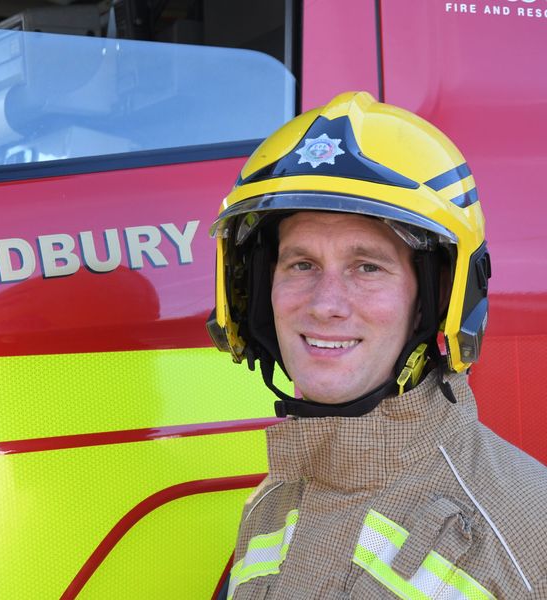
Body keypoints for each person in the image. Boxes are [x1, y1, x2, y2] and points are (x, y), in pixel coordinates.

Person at [207, 91, 547, 599]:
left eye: (367, 266)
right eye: (301, 264)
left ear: (433, 302)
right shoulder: (270, 505)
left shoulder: (522, 539)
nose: (325, 304)